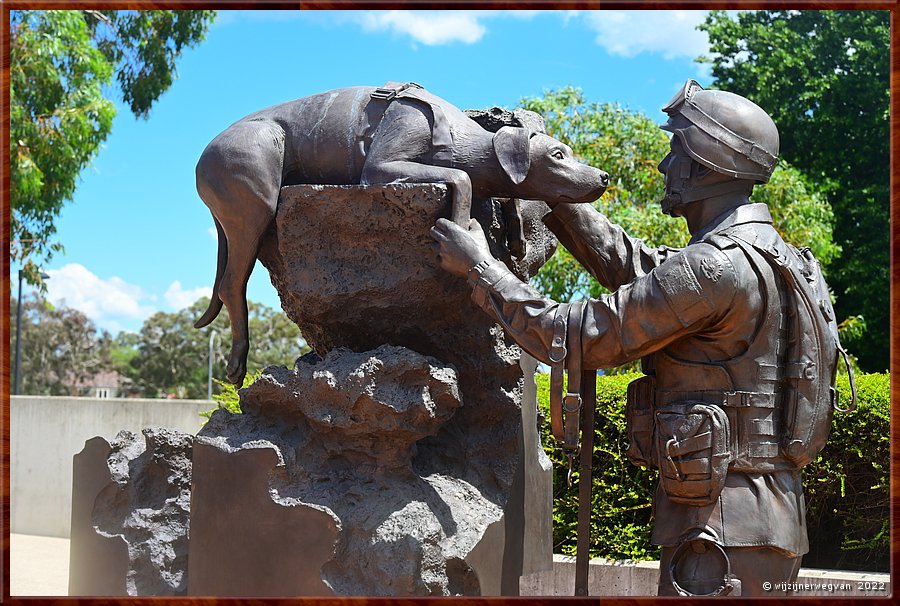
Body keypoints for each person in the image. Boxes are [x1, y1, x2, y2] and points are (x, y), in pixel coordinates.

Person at [431, 80, 830, 597]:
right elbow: (644, 273)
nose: (665, 167)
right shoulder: (772, 255)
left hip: (718, 537)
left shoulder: (715, 268)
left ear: (705, 166)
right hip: (759, 520)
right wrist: (554, 188)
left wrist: (481, 270)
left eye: (674, 153)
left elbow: (579, 336)